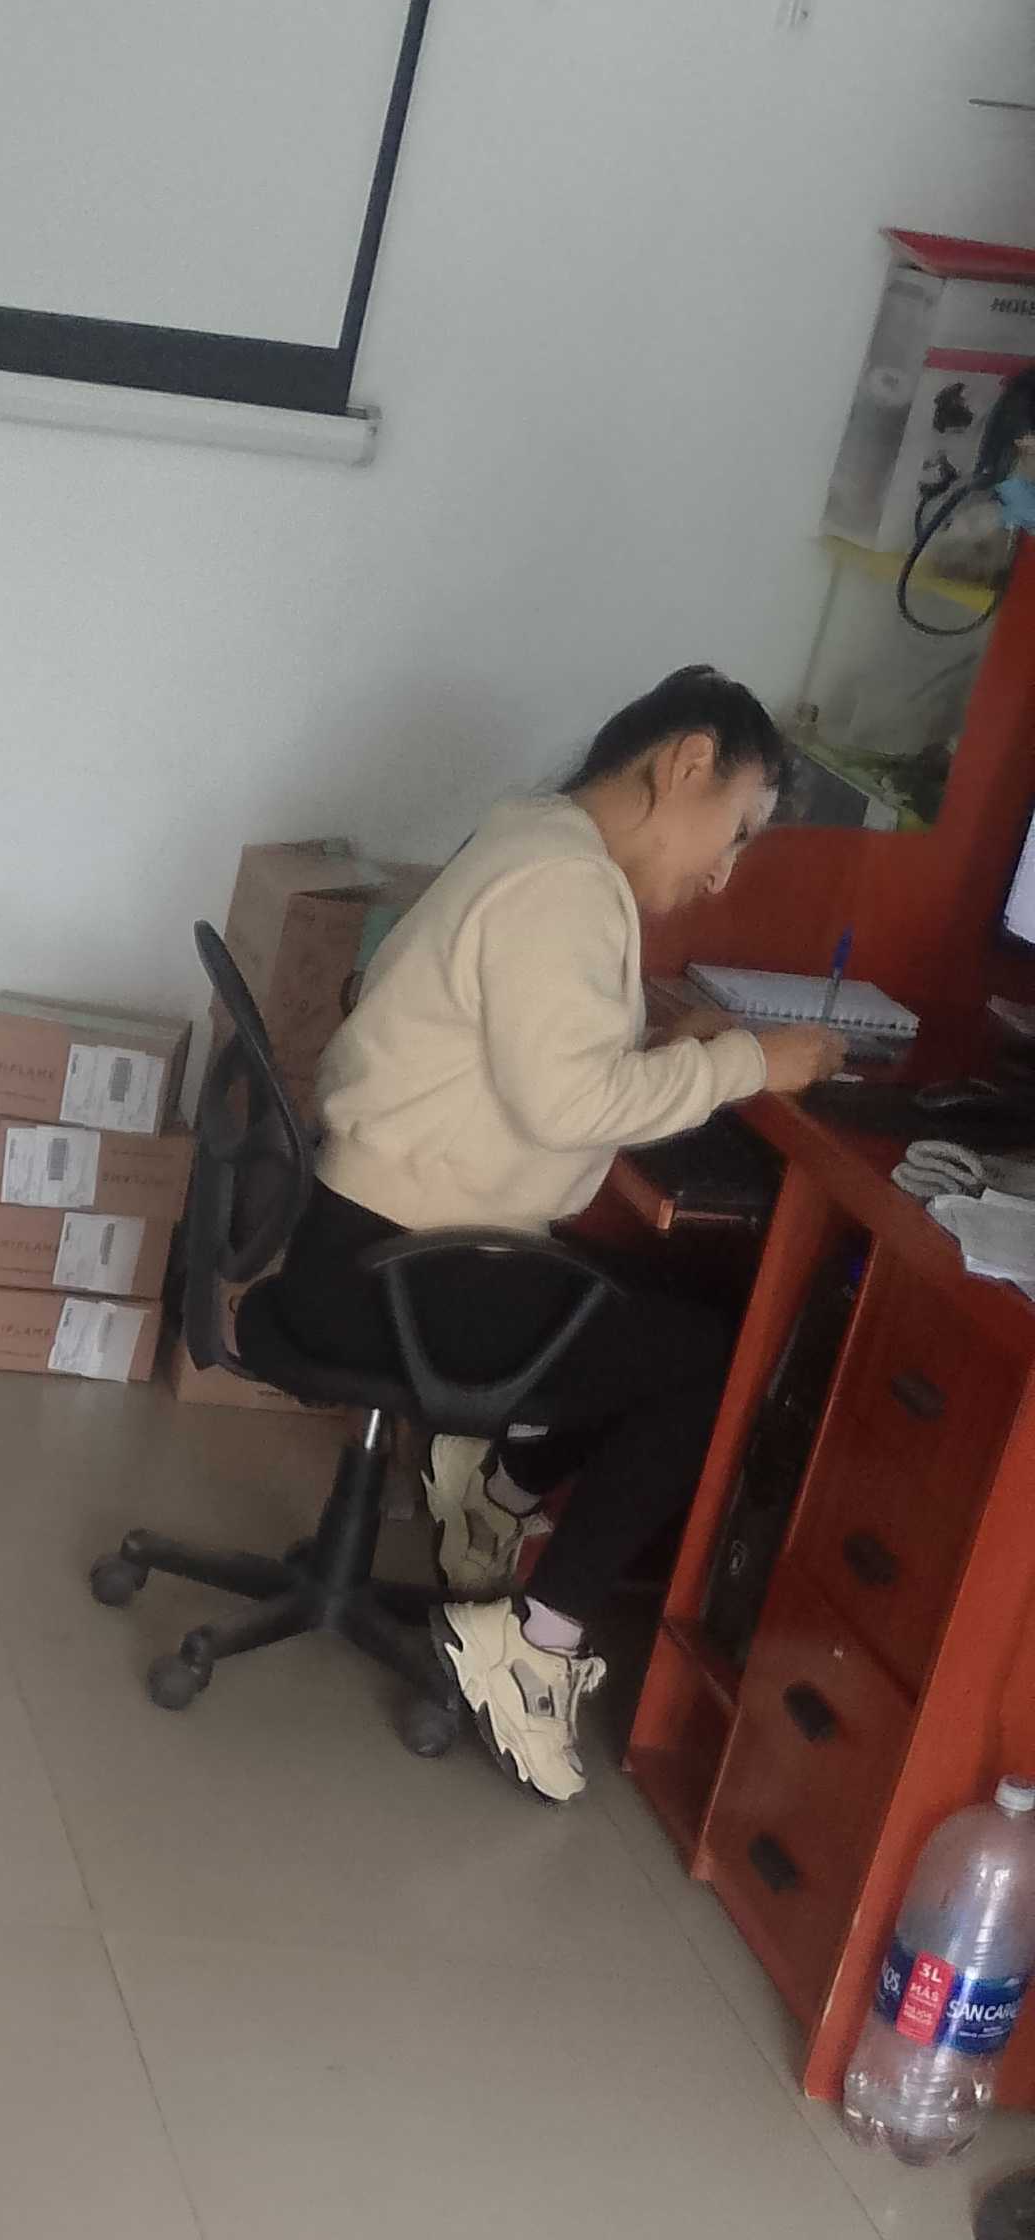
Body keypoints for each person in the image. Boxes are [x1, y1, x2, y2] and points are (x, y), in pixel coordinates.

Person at [270, 667, 846, 1802]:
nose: (722, 873)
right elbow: (567, 1104)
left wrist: (670, 1047)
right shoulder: (565, 883)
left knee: (691, 1307)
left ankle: (502, 1489)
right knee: (710, 1363)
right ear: (686, 765)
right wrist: (747, 1064)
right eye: (735, 830)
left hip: (369, 1241)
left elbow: (543, 1058)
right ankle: (535, 1642)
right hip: (407, 1269)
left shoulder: (533, 839)